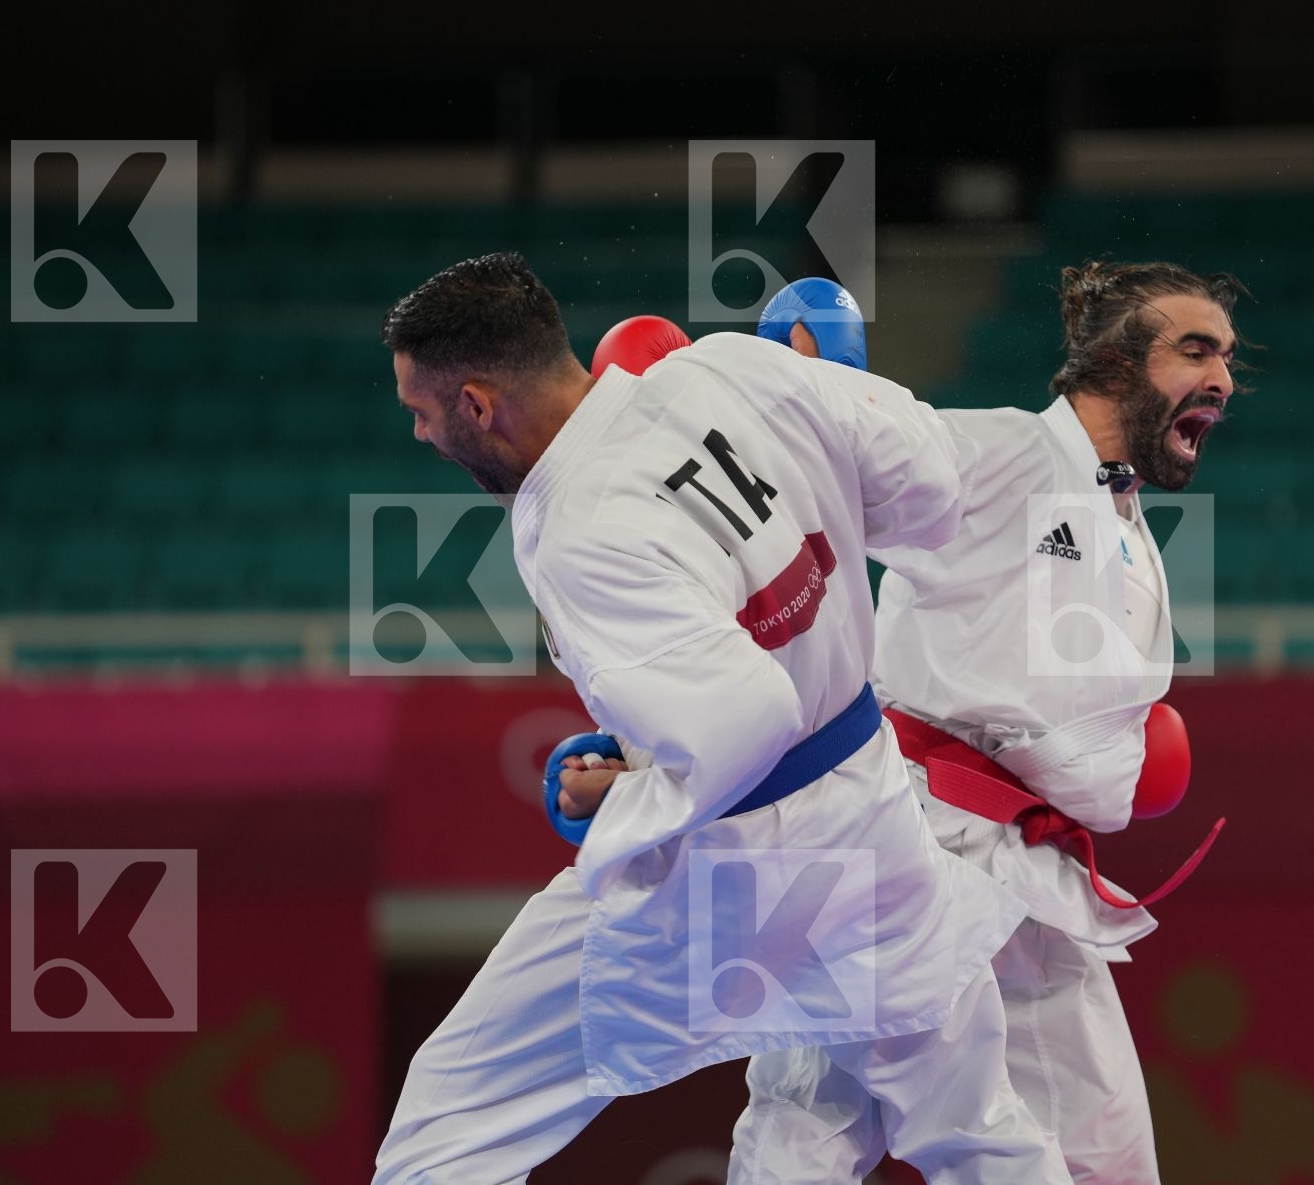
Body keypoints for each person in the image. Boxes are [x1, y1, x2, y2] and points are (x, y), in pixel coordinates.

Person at [372, 252, 1070, 1185]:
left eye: (421, 411)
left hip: (738, 869)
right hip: (869, 813)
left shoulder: (581, 525)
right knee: (971, 1122)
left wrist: (616, 801)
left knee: (456, 1111)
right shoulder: (724, 367)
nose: (420, 435)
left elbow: (744, 718)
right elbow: (932, 480)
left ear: (477, 404)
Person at [731, 261, 1246, 1183]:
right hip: (909, 838)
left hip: (1023, 869)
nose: (1223, 379)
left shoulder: (1120, 515)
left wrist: (1119, 763)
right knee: (815, 1113)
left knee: (1106, 1150)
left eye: (1229, 357)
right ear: (1115, 368)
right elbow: (834, 477)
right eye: (1195, 351)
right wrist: (820, 382)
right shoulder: (1012, 453)